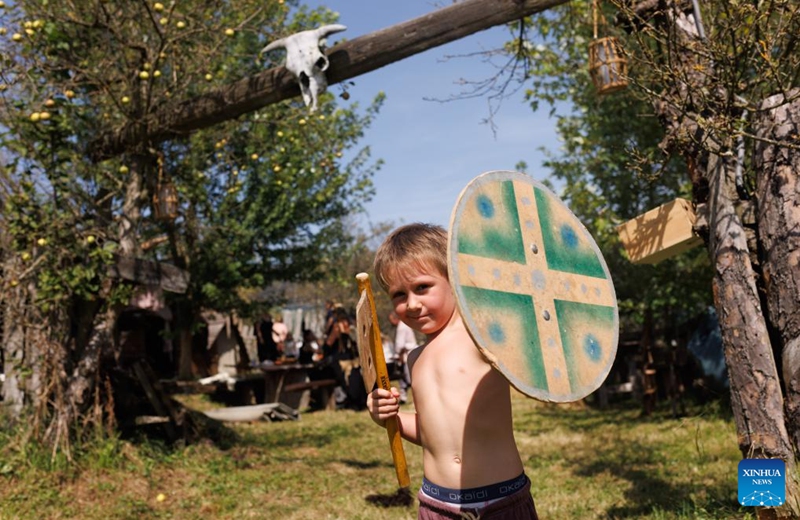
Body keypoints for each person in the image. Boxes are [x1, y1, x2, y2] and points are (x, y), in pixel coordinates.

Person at [367, 223, 538, 519]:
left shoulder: (483, 335)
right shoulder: (415, 358)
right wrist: (388, 417)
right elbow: (431, 431)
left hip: (500, 500)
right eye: (398, 295)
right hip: (437, 504)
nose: (412, 304)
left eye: (422, 287)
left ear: (454, 278)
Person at [389, 310, 418, 404]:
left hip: (407, 354)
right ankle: (404, 397)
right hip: (407, 353)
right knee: (403, 378)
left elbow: (400, 344)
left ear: (395, 318)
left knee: (409, 378)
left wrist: (397, 355)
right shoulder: (404, 325)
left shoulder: (402, 327)